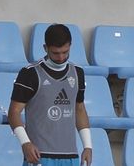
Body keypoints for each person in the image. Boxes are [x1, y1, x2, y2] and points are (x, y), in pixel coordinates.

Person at [8, 24, 94, 166]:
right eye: (55, 53)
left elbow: (79, 109)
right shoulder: (29, 73)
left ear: (70, 46)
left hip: (71, 155)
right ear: (45, 48)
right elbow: (14, 112)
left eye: (65, 52)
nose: (61, 57)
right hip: (40, 156)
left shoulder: (78, 73)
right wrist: (25, 143)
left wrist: (87, 146)